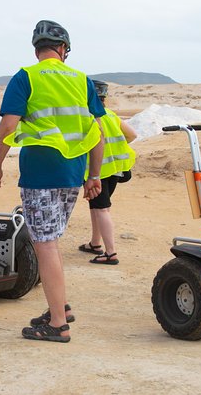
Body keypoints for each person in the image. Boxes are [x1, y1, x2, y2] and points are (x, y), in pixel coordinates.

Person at [0, 20, 105, 343]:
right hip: (72, 174)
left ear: (37, 49)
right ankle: (60, 307)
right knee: (50, 241)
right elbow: (98, 134)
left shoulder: (26, 77)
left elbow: (8, 127)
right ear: (63, 49)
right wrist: (93, 176)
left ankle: (57, 324)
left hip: (39, 175)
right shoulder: (82, 80)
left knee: (46, 244)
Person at [77, 79, 137, 265]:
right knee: (98, 206)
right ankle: (95, 244)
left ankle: (110, 253)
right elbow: (132, 135)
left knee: (101, 209)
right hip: (115, 170)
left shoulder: (89, 117)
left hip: (98, 171)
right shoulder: (111, 115)